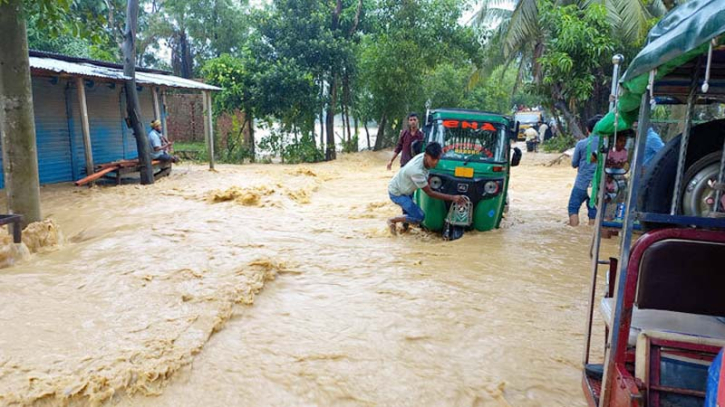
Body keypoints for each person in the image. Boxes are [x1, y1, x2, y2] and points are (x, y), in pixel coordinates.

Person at [387, 142, 466, 235]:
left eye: (438, 159)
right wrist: (453, 197)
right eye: (433, 159)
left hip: (406, 187)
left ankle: (404, 231)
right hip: (397, 193)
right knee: (419, 217)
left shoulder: (424, 158)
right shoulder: (416, 171)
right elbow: (430, 193)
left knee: (408, 217)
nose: (436, 162)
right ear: (426, 156)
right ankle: (392, 220)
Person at [568, 115, 603, 226]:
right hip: (597, 185)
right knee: (593, 212)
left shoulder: (581, 144)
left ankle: (574, 231)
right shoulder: (606, 145)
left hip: (581, 183)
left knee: (573, 208)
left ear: (588, 130)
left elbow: (574, 164)